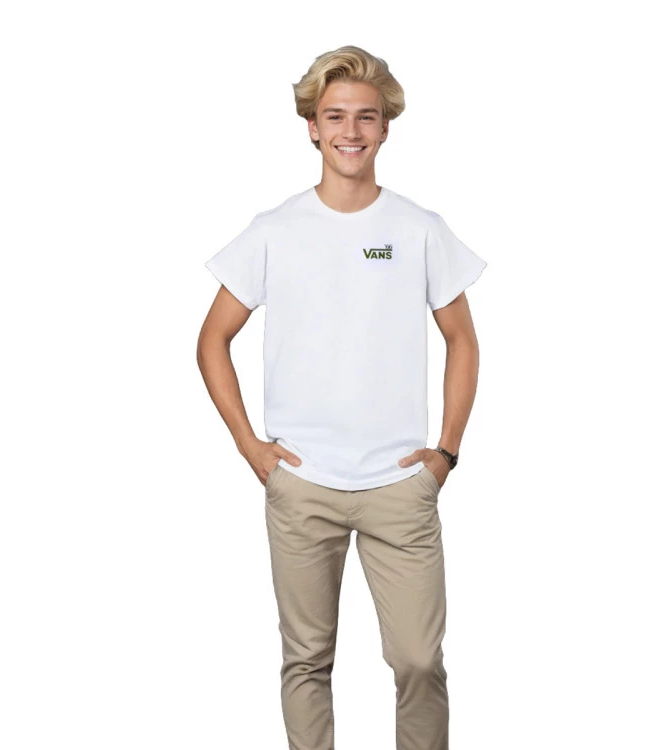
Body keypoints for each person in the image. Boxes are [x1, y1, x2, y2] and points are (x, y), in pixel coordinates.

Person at [197, 45, 487, 750]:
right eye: (334, 116)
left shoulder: (418, 229)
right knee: (306, 659)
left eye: (365, 116)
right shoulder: (274, 231)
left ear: (386, 127)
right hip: (302, 483)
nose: (350, 131)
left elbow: (462, 340)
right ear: (312, 127)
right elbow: (212, 341)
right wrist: (251, 448)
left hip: (400, 485)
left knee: (419, 661)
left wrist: (445, 454)